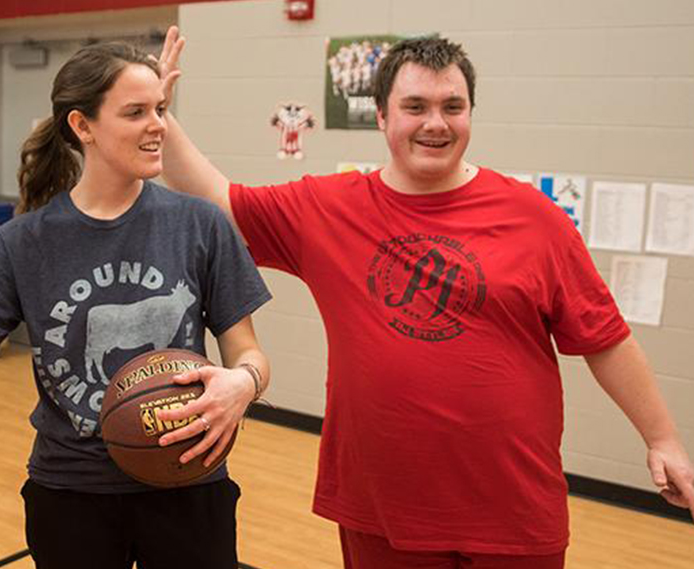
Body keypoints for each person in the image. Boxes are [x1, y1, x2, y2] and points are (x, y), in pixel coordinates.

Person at [156, 28, 694, 567]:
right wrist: (160, 112)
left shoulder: (535, 218)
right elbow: (216, 198)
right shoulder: (326, 208)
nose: (435, 123)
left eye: (452, 106)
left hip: (513, 510)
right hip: (383, 509)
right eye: (415, 106)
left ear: (469, 114)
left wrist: (662, 439)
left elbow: (606, 340)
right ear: (383, 117)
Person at [0, 41, 272, 569]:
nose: (158, 124)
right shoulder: (23, 242)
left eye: (161, 108)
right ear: (82, 125)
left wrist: (242, 383)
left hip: (189, 477)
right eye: (136, 112)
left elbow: (248, 352)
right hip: (71, 492)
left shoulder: (200, 224)